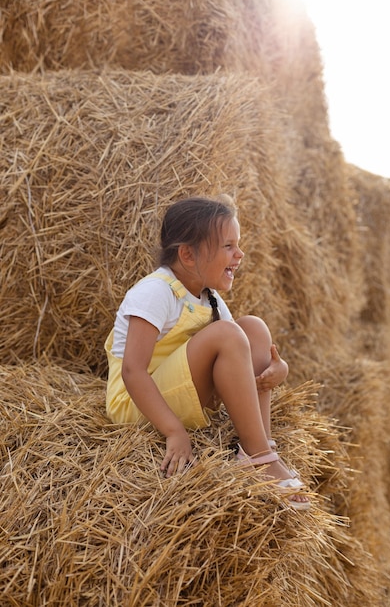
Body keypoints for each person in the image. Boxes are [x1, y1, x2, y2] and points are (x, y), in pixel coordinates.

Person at [105, 195, 310, 510]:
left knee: (253, 328)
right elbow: (133, 370)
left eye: (237, 245)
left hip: (180, 392)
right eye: (228, 246)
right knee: (229, 334)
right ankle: (260, 459)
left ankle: (259, 446)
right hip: (138, 404)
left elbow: (239, 353)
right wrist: (173, 431)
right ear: (187, 254)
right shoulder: (155, 292)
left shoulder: (209, 298)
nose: (239, 254)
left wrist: (273, 371)